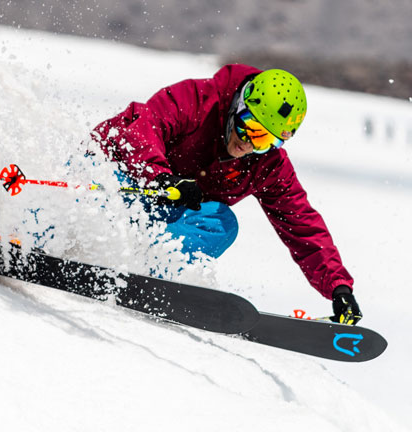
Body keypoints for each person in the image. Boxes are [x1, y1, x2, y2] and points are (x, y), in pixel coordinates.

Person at [91, 64, 362, 325]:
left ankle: (147, 276)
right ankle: (58, 238)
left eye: (266, 141)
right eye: (250, 128)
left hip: (160, 210)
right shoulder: (198, 100)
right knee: (94, 188)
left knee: (221, 224)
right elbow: (141, 126)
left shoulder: (266, 163)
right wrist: (160, 177)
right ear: (238, 106)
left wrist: (338, 287)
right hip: (116, 180)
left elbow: (301, 223)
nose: (249, 144)